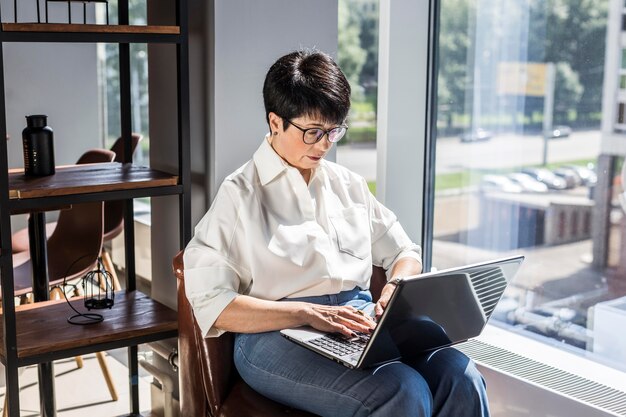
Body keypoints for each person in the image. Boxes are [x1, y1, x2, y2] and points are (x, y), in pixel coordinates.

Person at [184, 50, 490, 417]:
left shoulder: (348, 184)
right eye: (313, 131)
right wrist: (307, 312)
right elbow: (212, 304)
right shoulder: (240, 195)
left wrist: (397, 285)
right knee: (402, 392)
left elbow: (403, 251)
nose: (325, 144)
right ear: (275, 122)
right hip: (273, 335)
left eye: (334, 131)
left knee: (461, 376)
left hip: (356, 321)